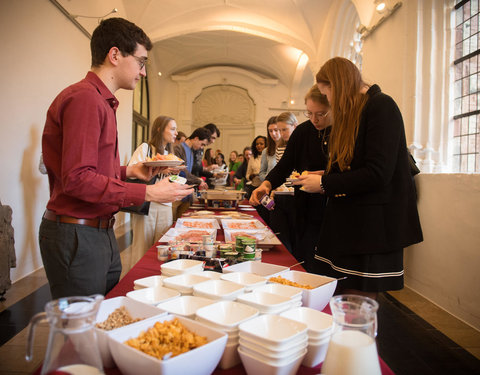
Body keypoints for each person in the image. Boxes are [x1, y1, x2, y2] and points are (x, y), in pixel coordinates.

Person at [39, 18, 193, 299]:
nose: (143, 72)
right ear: (114, 55)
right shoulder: (86, 99)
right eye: (141, 61)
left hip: (96, 230)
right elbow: (76, 180)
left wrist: (130, 171)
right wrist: (148, 192)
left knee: (103, 323)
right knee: (83, 332)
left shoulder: (100, 101)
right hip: (77, 233)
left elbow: (90, 171)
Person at [295, 57, 423, 298]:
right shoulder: (358, 111)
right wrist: (325, 175)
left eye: (327, 94)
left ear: (337, 86)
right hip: (352, 219)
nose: (329, 100)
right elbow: (355, 165)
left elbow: (378, 173)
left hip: (374, 221)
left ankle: (359, 336)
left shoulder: (381, 106)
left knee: (358, 298)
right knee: (339, 291)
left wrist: (324, 183)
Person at [250, 85, 332, 271]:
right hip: (304, 206)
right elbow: (284, 165)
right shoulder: (303, 132)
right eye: (309, 113)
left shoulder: (342, 132)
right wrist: (266, 184)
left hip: (331, 208)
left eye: (320, 114)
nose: (314, 120)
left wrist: (324, 177)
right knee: (304, 256)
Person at [128, 116, 179, 265]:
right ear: (159, 129)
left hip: (165, 205)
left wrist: (174, 175)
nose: (175, 133)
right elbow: (132, 173)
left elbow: (169, 182)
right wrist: (158, 168)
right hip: (146, 203)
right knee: (141, 247)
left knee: (161, 248)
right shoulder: (146, 148)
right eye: (172, 129)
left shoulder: (172, 155)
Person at [173, 127, 210, 219]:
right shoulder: (178, 148)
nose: (201, 147)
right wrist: (198, 180)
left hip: (185, 193)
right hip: (176, 193)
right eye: (202, 144)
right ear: (196, 138)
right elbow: (181, 171)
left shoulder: (191, 151)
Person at [259, 116, 281, 181]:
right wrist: (268, 180)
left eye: (276, 130)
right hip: (271, 187)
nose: (273, 134)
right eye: (270, 131)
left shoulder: (289, 148)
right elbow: (262, 173)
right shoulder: (266, 151)